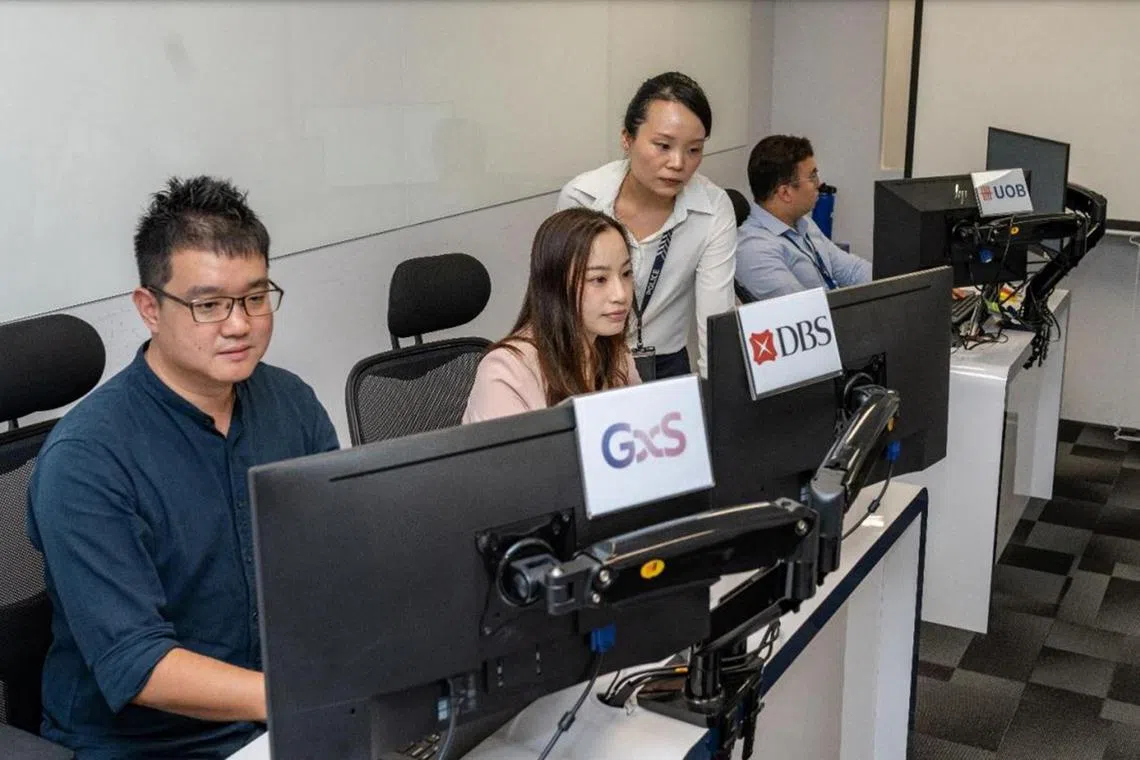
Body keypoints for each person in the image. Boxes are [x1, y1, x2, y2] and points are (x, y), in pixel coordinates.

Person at [26, 176, 340, 759]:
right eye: (209, 304)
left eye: (254, 297)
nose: (240, 323)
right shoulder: (86, 459)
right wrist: (302, 694)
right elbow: (139, 665)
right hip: (146, 748)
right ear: (150, 308)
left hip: (276, 725)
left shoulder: (290, 403)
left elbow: (337, 554)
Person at [557, 71, 736, 379]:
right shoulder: (582, 198)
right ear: (627, 139)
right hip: (589, 359)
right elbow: (560, 302)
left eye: (694, 150)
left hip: (666, 362)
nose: (678, 163)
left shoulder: (713, 208)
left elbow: (716, 322)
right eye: (663, 145)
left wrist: (719, 403)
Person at [463, 207, 641, 423]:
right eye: (599, 279)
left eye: (626, 274)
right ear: (555, 285)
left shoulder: (616, 352)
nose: (620, 294)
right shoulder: (506, 371)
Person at [736, 135, 871, 300]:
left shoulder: (802, 221)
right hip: (822, 321)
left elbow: (852, 270)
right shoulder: (755, 250)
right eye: (812, 177)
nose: (819, 183)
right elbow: (803, 311)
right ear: (785, 193)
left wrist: (897, 283)